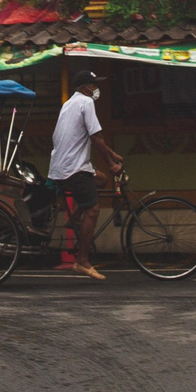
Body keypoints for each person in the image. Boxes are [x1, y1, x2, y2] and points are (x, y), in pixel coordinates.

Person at [47, 68, 125, 280]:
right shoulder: (86, 102)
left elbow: (92, 136)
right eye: (93, 85)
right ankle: (82, 261)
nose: (96, 89)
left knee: (101, 180)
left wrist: (112, 154)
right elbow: (96, 138)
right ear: (83, 87)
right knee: (93, 210)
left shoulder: (69, 104)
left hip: (61, 166)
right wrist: (111, 163)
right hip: (74, 167)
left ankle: (75, 217)